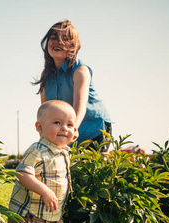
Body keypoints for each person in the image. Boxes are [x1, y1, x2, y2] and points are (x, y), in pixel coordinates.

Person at [8, 100, 83, 223]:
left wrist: (70, 133)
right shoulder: (37, 150)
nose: (64, 129)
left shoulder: (63, 151)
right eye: (57, 122)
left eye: (70, 125)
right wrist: (44, 191)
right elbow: (22, 174)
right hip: (29, 222)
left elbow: (68, 136)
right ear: (39, 127)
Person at [35, 19, 112, 152]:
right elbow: (45, 110)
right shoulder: (46, 76)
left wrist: (73, 129)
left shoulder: (80, 70)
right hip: (66, 131)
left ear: (73, 47)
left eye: (64, 39)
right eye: (54, 38)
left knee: (90, 170)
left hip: (94, 129)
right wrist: (44, 138)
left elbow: (80, 104)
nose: (58, 42)